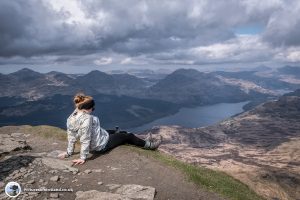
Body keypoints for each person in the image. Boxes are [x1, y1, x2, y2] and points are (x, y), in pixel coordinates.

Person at [58, 93, 162, 165]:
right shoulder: (87, 119)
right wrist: (82, 158)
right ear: (88, 109)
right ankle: (150, 146)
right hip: (101, 146)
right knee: (127, 136)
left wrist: (68, 152)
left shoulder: (72, 116)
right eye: (92, 109)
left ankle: (139, 139)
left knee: (115, 131)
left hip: (97, 138)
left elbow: (71, 136)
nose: (93, 110)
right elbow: (85, 139)